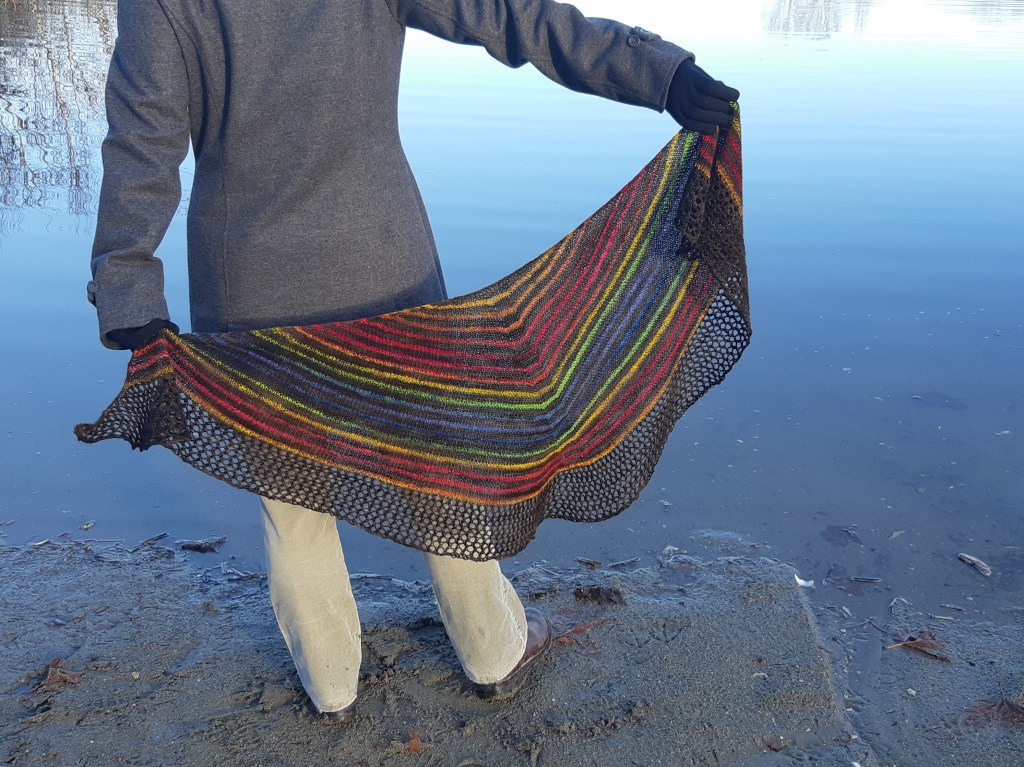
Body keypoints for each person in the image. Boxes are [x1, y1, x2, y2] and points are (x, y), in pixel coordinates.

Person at [87, 0, 739, 721]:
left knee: (294, 500)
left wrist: (129, 292)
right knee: (441, 470)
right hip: (384, 267)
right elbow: (512, 15)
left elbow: (142, 141)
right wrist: (661, 74)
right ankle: (493, 653)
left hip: (246, 289)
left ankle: (331, 686)